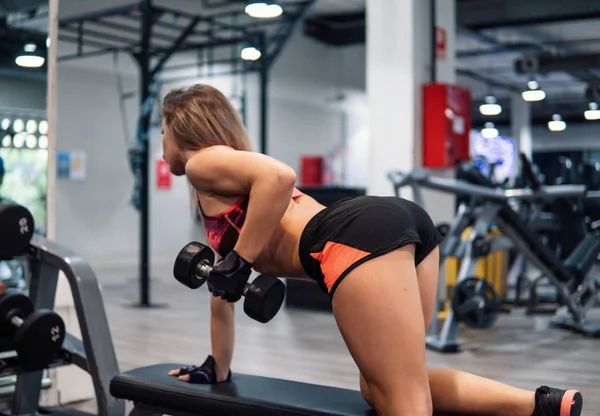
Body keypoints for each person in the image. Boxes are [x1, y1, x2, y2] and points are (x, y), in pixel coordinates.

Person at [162, 84, 583, 416]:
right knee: (391, 386)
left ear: (180, 129)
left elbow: (278, 176)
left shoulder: (202, 164)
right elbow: (222, 294)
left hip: (350, 237)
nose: (162, 145)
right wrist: (216, 366)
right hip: (402, 225)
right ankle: (541, 405)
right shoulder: (217, 191)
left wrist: (241, 260)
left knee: (403, 404)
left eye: (162, 131)